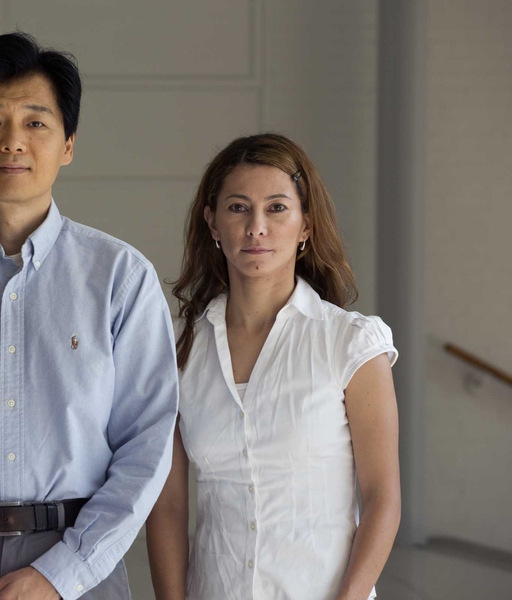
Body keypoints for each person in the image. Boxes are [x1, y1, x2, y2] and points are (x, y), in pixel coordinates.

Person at [0, 32, 179, 600]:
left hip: (82, 563)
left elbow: (146, 445)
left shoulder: (120, 277)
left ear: (68, 144)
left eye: (36, 122)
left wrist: (62, 574)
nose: (13, 142)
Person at [146, 134, 401, 600]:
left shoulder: (350, 342)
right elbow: (168, 505)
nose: (256, 228)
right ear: (213, 222)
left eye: (277, 208)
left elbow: (383, 498)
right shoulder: (180, 349)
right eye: (238, 208)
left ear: (306, 225)